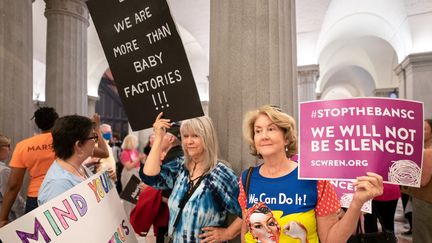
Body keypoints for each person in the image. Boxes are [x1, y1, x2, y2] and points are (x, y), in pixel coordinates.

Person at [238, 105, 383, 243]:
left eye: (271, 129)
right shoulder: (247, 178)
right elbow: (246, 233)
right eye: (258, 131)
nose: (263, 136)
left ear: (286, 138)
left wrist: (356, 204)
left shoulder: (313, 178)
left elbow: (331, 239)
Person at [141, 113, 242, 242]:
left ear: (207, 138)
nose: (189, 141)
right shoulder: (180, 166)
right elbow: (149, 176)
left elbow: (249, 209)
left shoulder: (220, 174)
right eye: (185, 136)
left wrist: (228, 233)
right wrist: (159, 138)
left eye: (195, 136)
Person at [0, 106, 58, 227]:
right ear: (56, 121)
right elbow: (103, 153)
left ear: (37, 124)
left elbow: (13, 185)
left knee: (39, 237)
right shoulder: (64, 141)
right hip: (63, 193)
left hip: (35, 197)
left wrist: (2, 217)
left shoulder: (23, 146)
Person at [38, 114, 107, 205]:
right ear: (78, 145)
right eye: (93, 137)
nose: (95, 141)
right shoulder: (58, 185)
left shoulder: (79, 167)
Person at [132, 125, 182, 242]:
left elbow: (166, 194)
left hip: (170, 218)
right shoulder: (174, 155)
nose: (156, 138)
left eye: (161, 135)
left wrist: (152, 189)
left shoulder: (175, 158)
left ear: (171, 139)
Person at [0, 135, 25, 221]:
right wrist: (25, 213)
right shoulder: (3, 171)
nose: (10, 149)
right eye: (8, 146)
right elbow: (12, 198)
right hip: (6, 217)